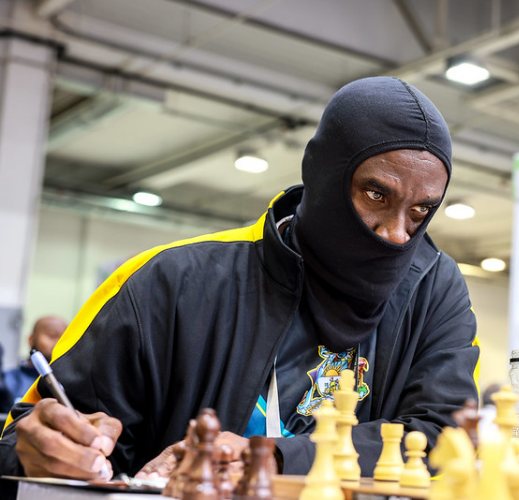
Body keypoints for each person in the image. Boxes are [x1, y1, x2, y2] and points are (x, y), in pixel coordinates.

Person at [0, 77, 479, 480]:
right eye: (376, 194)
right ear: (325, 174)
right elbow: (27, 439)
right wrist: (44, 451)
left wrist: (272, 459)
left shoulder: (432, 290)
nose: (397, 234)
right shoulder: (168, 284)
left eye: (421, 211)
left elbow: (445, 436)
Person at [1, 316, 67, 411]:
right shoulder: (7, 380)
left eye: (63, 338)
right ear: (31, 339)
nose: (58, 342)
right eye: (52, 336)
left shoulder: (70, 383)